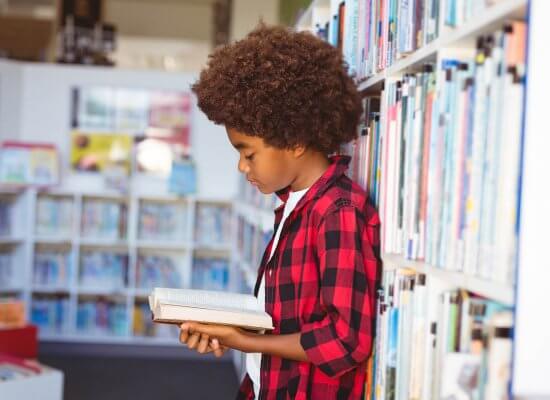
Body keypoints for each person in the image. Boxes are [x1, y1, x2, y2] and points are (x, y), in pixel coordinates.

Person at [180, 23, 381, 399]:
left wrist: (248, 342)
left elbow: (346, 340)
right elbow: (289, 319)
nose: (242, 166)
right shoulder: (293, 206)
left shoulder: (338, 212)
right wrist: (232, 333)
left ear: (296, 139)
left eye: (248, 152)